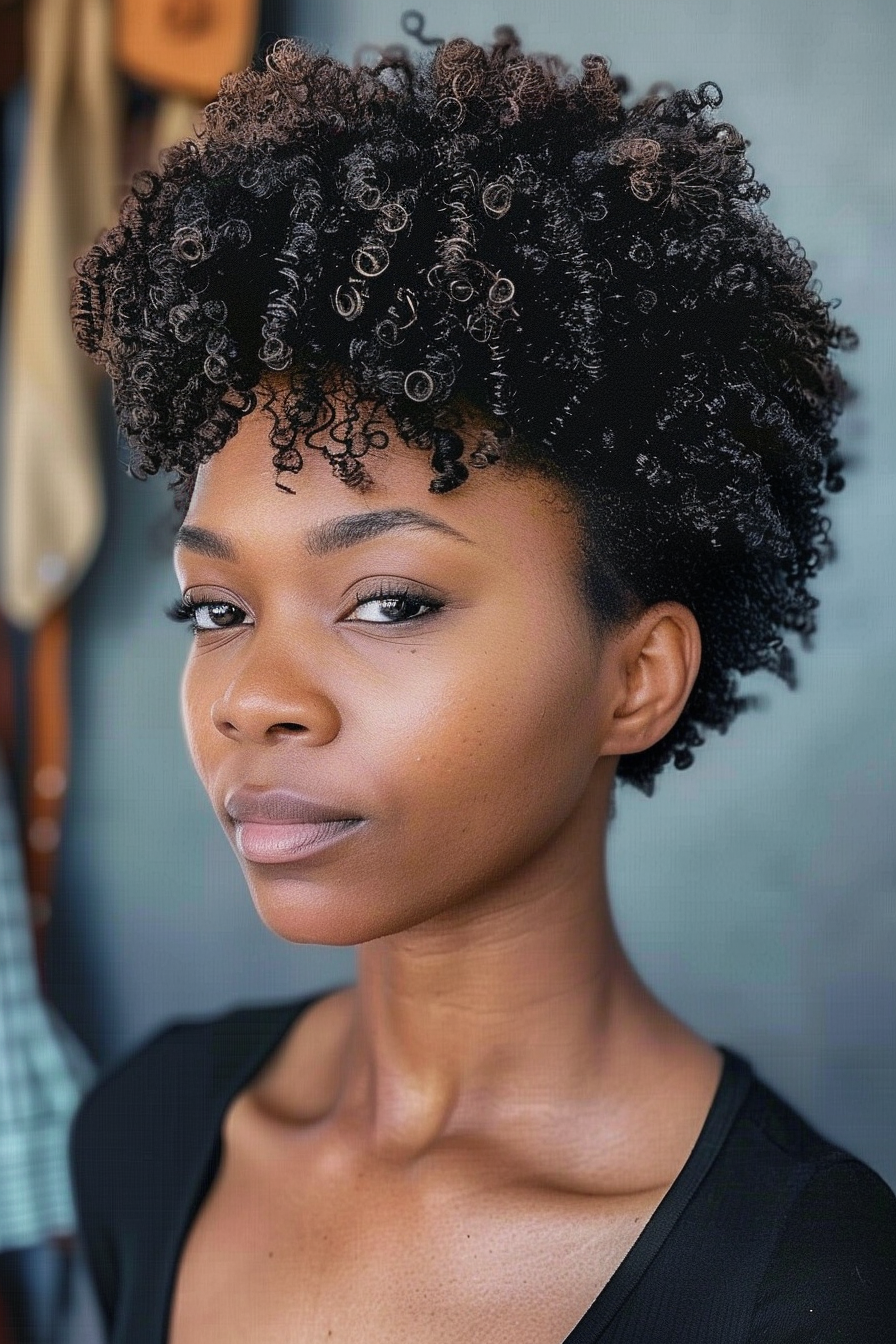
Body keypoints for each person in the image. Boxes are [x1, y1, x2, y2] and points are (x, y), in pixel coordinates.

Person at [67, 26, 896, 1344]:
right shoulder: (147, 1134)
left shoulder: (800, 1287)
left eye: (389, 601)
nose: (253, 698)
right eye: (217, 609)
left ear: (637, 678)